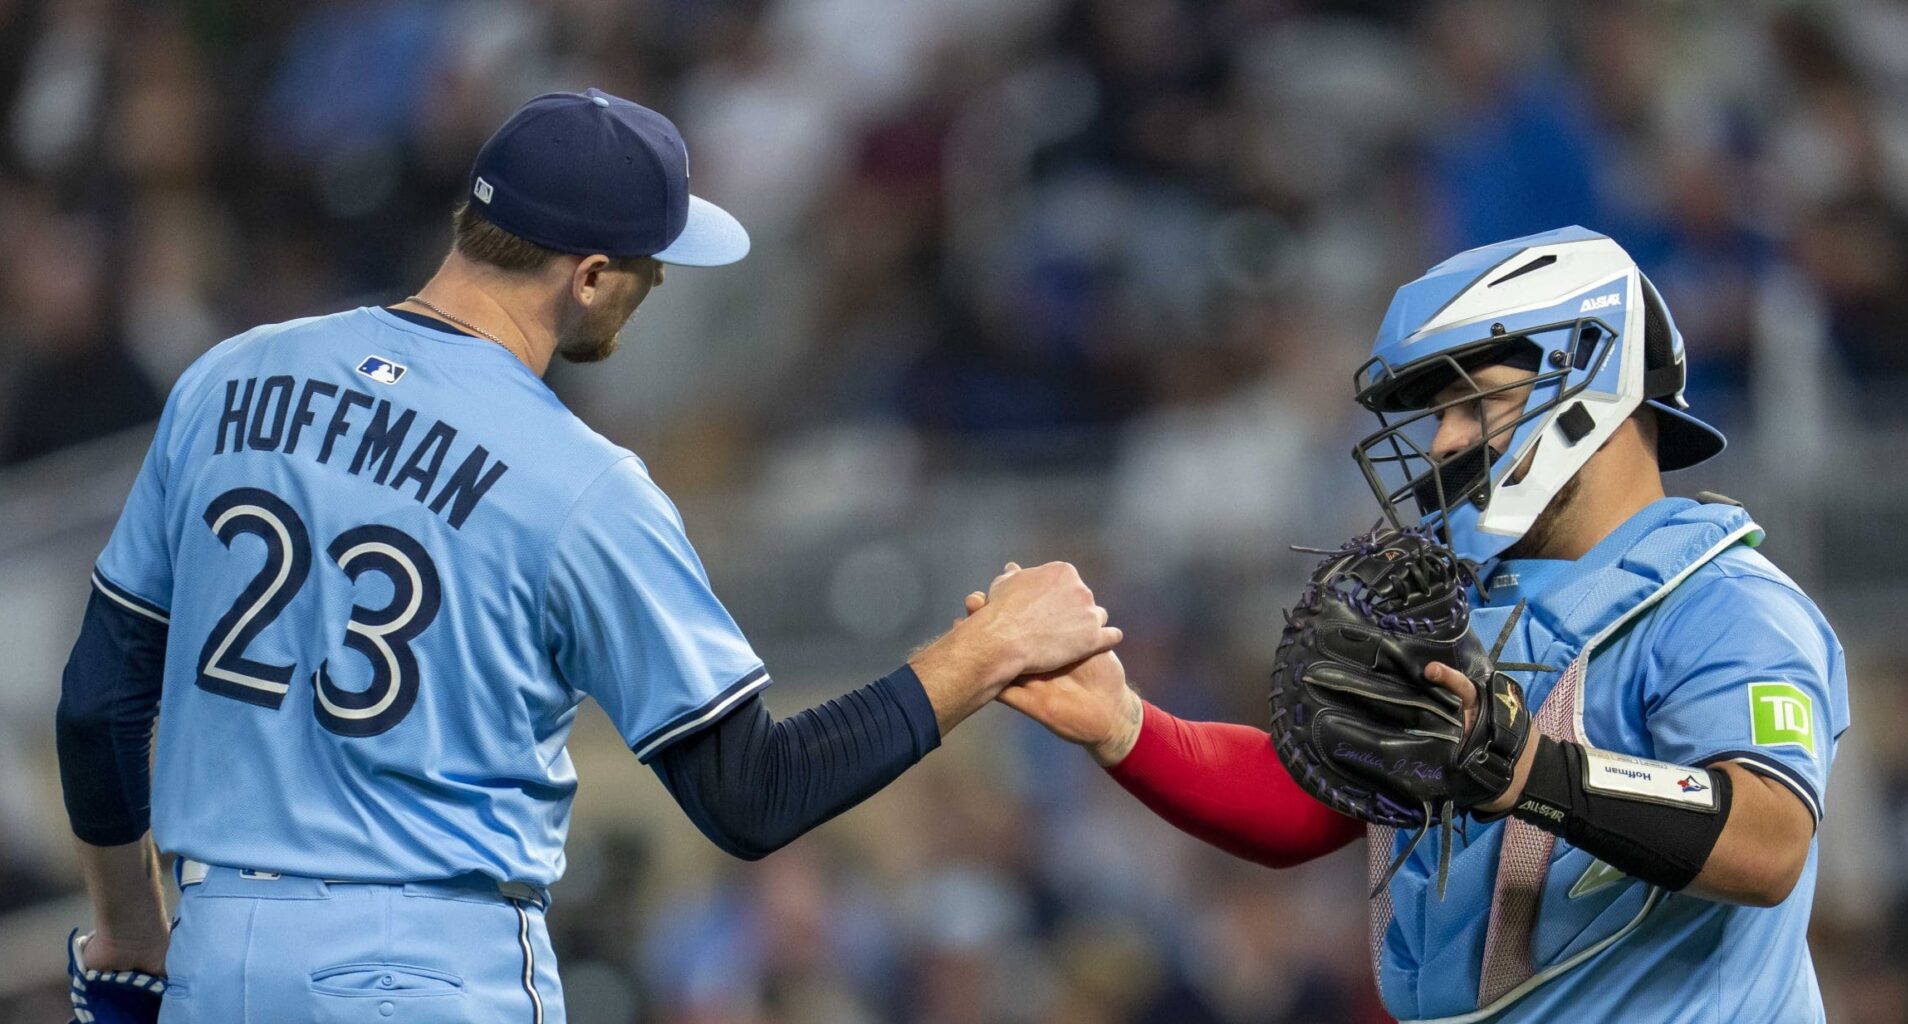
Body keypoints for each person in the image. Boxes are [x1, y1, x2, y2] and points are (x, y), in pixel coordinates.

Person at [54, 88, 1122, 1024]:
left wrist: (133, 932)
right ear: (592, 275)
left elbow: (99, 704)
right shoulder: (578, 481)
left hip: (217, 946)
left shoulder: (229, 379)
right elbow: (752, 794)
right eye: (651, 265)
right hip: (425, 965)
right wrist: (982, 652)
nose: (658, 283)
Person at [996, 227, 1846, 1022]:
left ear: (1591, 381)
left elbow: (1768, 841)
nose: (1443, 441)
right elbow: (1313, 804)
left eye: (1475, 404)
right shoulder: (1463, 604)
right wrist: (1125, 726)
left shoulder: (1727, 602)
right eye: (1440, 413)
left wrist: (1533, 773)